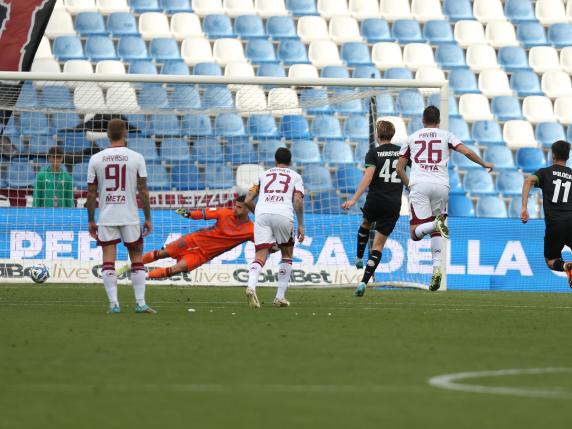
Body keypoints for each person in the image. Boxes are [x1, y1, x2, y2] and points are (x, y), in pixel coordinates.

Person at [396, 106, 493, 291]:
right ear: (438, 121)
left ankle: (434, 224)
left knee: (415, 233)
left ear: (423, 120)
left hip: (419, 185)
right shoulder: (446, 135)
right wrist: (484, 163)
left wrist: (409, 185)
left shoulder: (412, 137)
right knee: (437, 231)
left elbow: (399, 168)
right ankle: (437, 269)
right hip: (441, 186)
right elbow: (466, 152)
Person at [86, 118, 154, 314]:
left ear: (107, 134)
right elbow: (143, 191)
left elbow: (91, 194)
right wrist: (148, 217)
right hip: (130, 216)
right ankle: (140, 303)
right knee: (136, 258)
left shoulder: (96, 159)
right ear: (125, 133)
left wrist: (91, 220)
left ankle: (114, 304)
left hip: (106, 216)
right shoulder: (136, 157)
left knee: (108, 259)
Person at [341, 120, 404, 297]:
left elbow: (368, 178)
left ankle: (359, 257)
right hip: (393, 202)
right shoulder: (402, 152)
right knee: (378, 246)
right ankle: (363, 282)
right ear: (392, 134)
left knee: (366, 224)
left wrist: (354, 199)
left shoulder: (373, 153)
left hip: (375, 199)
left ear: (377, 134)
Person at [132, 196, 254, 279]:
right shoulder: (224, 213)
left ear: (248, 209)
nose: (235, 209)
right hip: (192, 240)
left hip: (202, 255)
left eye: (239, 207)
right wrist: (187, 213)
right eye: (235, 206)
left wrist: (272, 247)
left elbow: (265, 245)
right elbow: (201, 214)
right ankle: (133, 265)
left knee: (176, 269)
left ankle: (142, 277)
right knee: (162, 253)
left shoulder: (251, 230)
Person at [244, 147, 305, 308]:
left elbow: (248, 199)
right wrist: (301, 224)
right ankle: (279, 297)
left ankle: (251, 286)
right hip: (283, 214)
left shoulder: (263, 175)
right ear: (290, 162)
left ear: (275, 160)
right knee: (287, 254)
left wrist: (258, 213)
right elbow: (297, 200)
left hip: (262, 214)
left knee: (260, 255)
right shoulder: (295, 176)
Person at [521, 140, 572, 287]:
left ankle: (565, 266)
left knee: (551, 260)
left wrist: (524, 208)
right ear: (568, 156)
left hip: (555, 224)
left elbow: (528, 181)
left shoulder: (545, 173)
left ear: (553, 155)